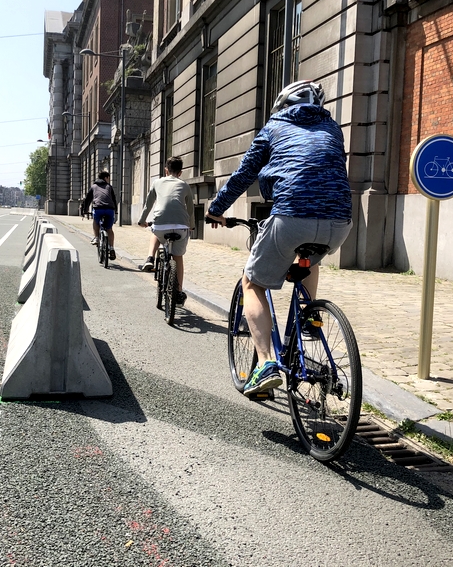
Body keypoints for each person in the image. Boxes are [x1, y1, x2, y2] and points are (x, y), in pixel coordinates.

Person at [205, 80, 352, 397]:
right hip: (339, 222)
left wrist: (216, 209)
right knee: (306, 260)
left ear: (282, 105)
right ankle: (311, 317)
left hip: (291, 218)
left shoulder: (275, 126)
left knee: (252, 283)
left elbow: (244, 173)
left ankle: (266, 364)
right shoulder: (333, 128)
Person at [138, 156, 194, 306]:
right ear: (180, 172)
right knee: (178, 257)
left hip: (161, 225)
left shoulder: (157, 182)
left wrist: (142, 220)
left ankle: (149, 258)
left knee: (155, 231)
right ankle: (179, 292)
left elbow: (148, 204)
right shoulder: (185, 185)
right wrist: (192, 226)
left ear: (166, 170)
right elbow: (191, 209)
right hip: (181, 227)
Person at [81, 171, 117, 260]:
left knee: (95, 222)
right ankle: (111, 248)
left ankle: (96, 238)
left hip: (98, 208)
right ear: (106, 178)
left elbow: (87, 199)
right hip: (110, 209)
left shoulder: (93, 186)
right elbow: (114, 199)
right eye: (109, 178)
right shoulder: (109, 187)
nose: (109, 180)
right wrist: (115, 210)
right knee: (109, 229)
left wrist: (84, 210)